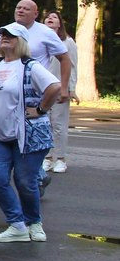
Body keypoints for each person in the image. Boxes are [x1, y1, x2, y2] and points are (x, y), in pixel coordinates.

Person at [0, 23, 61, 242]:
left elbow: (54, 87)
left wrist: (40, 109)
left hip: (28, 135)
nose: (4, 38)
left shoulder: (30, 66)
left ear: (21, 41)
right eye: (1, 35)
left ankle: (34, 222)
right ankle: (17, 225)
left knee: (25, 182)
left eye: (10, 35)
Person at [0, 0, 72, 187]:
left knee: (31, 132)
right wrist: (5, 61)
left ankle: (38, 174)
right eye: (18, 7)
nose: (21, 11)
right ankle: (38, 174)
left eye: (26, 9)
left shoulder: (45, 32)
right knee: (12, 134)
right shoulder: (5, 30)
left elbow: (64, 58)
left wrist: (64, 87)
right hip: (8, 90)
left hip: (35, 91)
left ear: (35, 14)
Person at [43, 10, 78, 173]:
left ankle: (61, 158)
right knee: (44, 124)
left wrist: (70, 88)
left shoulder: (67, 42)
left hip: (59, 88)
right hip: (42, 89)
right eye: (48, 17)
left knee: (59, 125)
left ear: (60, 23)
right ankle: (47, 157)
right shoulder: (39, 40)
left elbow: (72, 66)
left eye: (54, 17)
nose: (50, 18)